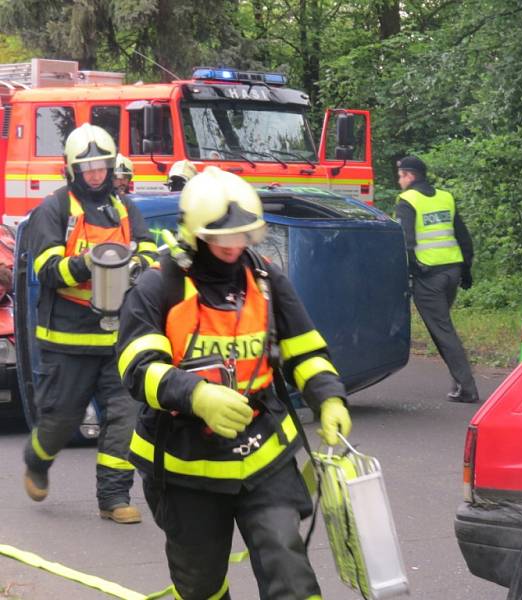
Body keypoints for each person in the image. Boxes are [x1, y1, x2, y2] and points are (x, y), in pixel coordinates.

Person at [116, 166, 352, 599]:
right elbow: (137, 366)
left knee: (287, 562)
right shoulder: (158, 286)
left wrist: (329, 399)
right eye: (222, 236)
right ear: (195, 232)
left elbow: (304, 350)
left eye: (243, 235)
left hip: (263, 452)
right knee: (199, 583)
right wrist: (196, 396)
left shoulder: (264, 280)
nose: (233, 246)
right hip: (185, 463)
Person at [22, 123, 158, 523]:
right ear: (73, 170)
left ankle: (114, 499)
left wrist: (138, 266)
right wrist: (88, 263)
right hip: (67, 337)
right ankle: (37, 460)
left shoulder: (124, 208)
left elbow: (149, 248)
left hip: (117, 336)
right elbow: (45, 268)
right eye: (88, 168)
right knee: (62, 419)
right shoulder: (56, 209)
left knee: (124, 415)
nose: (96, 174)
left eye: (101, 166)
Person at [395, 155, 479, 403]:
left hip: (428, 276)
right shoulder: (445, 197)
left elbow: (405, 242)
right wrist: (466, 270)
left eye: (400, 176)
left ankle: (467, 388)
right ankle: (461, 382)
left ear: (409, 175)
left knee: (443, 332)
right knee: (444, 327)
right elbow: (463, 238)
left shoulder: (407, 200)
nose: (399, 181)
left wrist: (411, 272)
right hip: (451, 272)